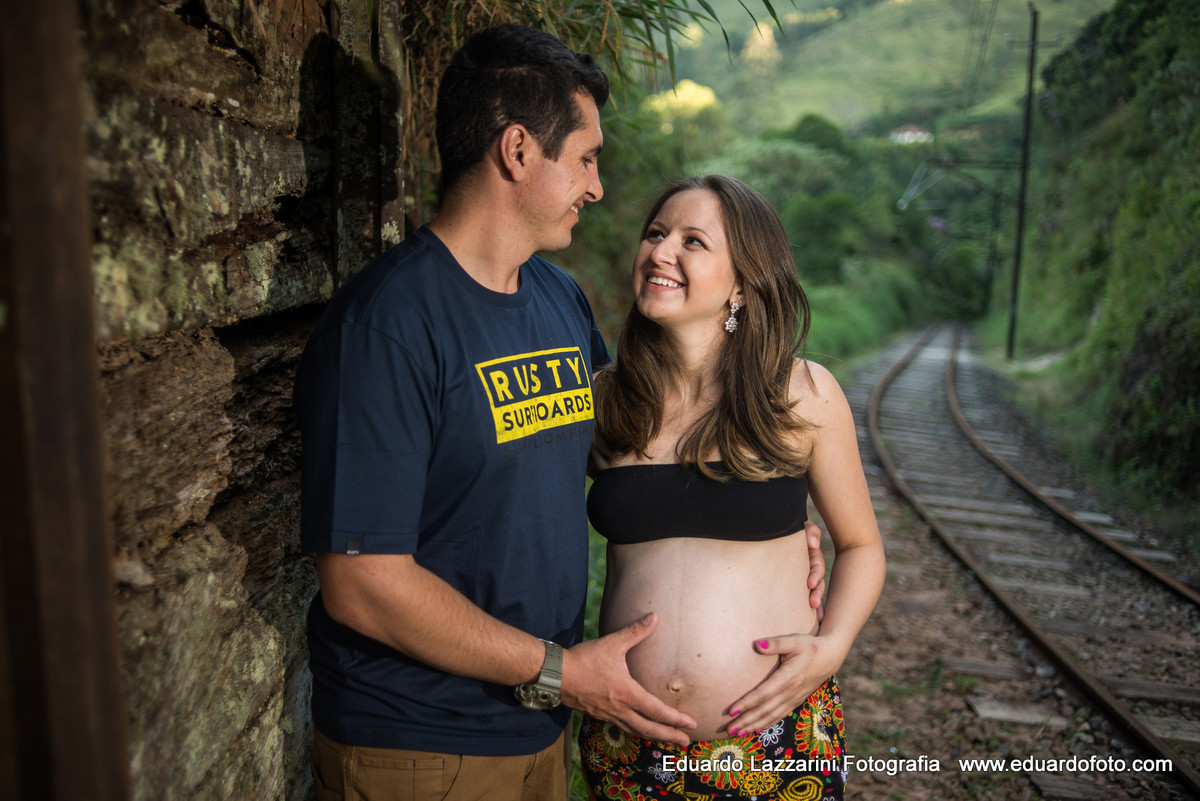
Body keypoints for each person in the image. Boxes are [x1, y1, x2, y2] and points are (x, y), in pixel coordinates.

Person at [292, 25, 828, 801]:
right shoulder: (387, 325)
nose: (598, 186)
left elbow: (639, 448)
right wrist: (559, 671)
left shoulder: (556, 298)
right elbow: (361, 581)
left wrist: (770, 525)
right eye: (585, 158)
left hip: (542, 732)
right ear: (518, 151)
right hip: (419, 742)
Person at [579, 175, 886, 800]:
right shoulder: (605, 401)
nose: (662, 251)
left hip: (772, 741)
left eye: (692, 241)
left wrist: (832, 647)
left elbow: (861, 546)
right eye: (655, 234)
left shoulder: (801, 393)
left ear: (742, 283)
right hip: (628, 742)